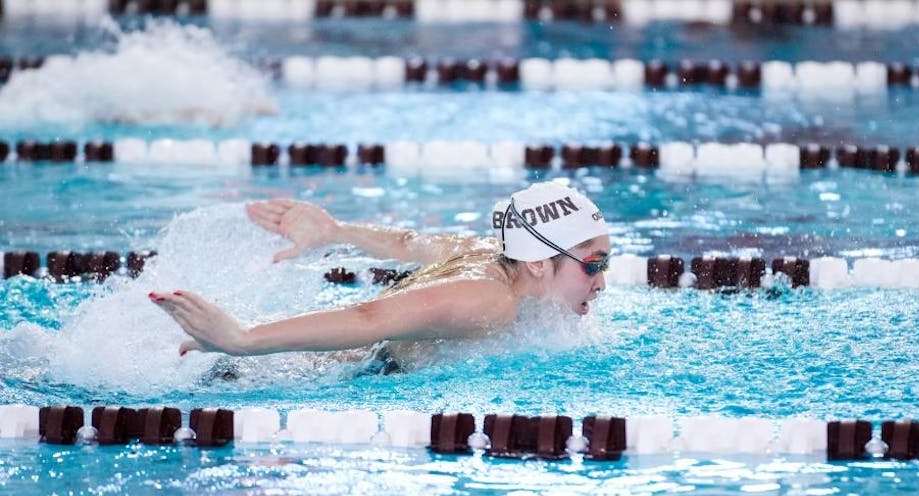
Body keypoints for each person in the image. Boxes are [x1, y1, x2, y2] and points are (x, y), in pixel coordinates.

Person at [149, 181, 610, 370]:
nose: (602, 281)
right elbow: (369, 318)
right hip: (286, 371)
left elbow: (407, 243)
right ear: (537, 262)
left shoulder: (486, 252)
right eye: (594, 264)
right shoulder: (489, 302)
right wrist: (243, 339)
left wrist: (336, 231)